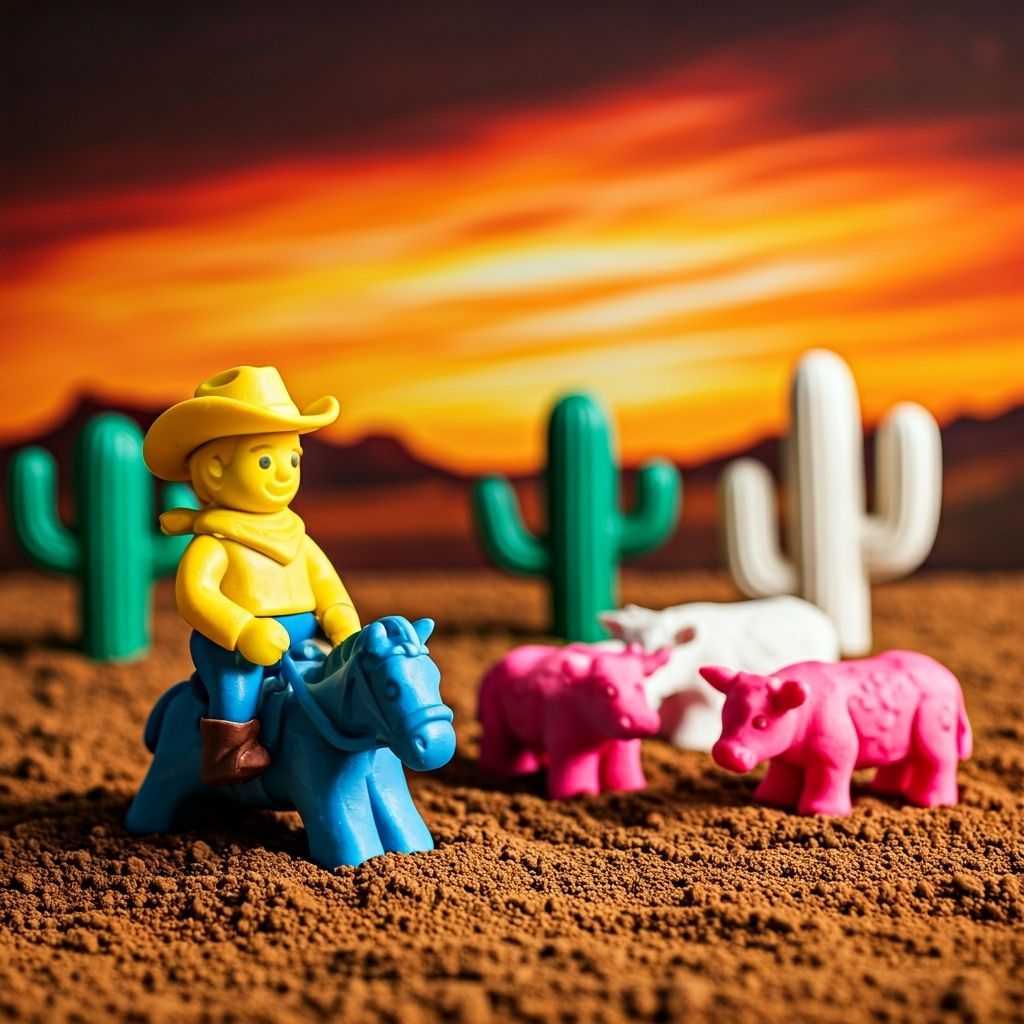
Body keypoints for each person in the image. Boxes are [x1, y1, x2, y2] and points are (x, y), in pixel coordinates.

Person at [144, 366, 361, 786]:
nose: (284, 472)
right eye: (265, 459)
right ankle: (228, 753)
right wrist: (242, 629)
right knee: (237, 686)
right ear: (214, 471)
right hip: (236, 646)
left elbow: (327, 585)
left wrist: (339, 614)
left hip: (307, 635)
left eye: (293, 458)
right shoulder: (216, 541)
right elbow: (196, 595)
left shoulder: (296, 536)